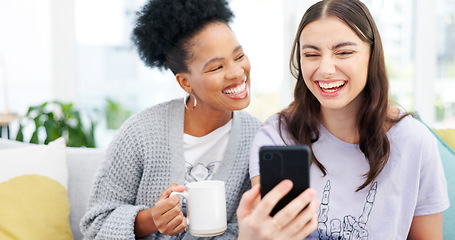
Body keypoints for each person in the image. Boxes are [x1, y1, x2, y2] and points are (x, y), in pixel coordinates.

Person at [80, 0, 318, 239]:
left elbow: (248, 230)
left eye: (239, 56)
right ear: (185, 82)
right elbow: (95, 224)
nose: (237, 72)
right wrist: (151, 219)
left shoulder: (258, 138)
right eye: (216, 67)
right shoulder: (141, 133)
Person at [249, 0, 450, 239]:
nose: (325, 69)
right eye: (311, 54)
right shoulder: (277, 136)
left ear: (372, 55)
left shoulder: (414, 141)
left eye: (343, 52)